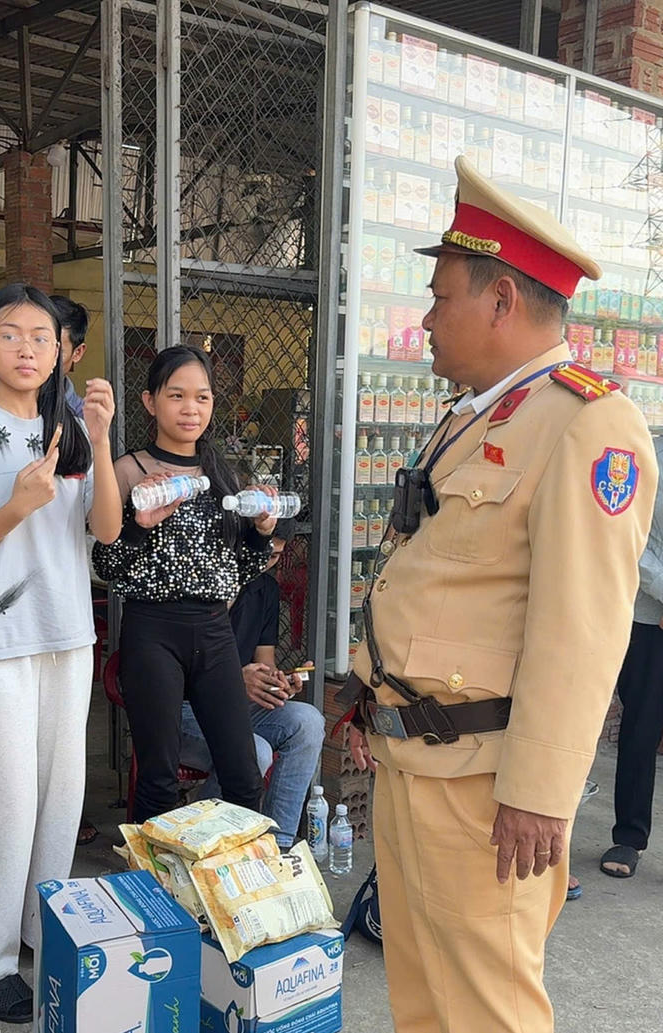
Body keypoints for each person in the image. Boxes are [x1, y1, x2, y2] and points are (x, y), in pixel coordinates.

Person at [342, 155, 657, 1033]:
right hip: (418, 760)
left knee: (486, 1010)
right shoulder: (480, 411)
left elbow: (585, 628)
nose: (428, 317)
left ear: (501, 301)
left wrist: (542, 793)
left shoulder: (590, 423)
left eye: (441, 297)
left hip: (487, 789)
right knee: (423, 998)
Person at [0, 283, 120, 1024]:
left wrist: (99, 439)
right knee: (3, 801)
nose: (28, 349)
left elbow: (105, 530)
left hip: (66, 633)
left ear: (65, 351)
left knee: (58, 797)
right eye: (11, 335)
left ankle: (44, 932)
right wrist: (14, 506)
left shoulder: (70, 427)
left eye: (43, 336)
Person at [92, 345, 277, 827]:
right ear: (151, 401)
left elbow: (239, 568)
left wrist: (261, 533)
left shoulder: (223, 475)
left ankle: (228, 879)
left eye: (202, 397)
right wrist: (140, 525)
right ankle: (148, 890)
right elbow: (106, 565)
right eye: (177, 396)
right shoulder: (128, 470)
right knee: (157, 774)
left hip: (214, 632)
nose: (190, 409)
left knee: (243, 771)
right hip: (152, 630)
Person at [179, 525, 324, 848]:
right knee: (252, 749)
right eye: (262, 550)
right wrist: (232, 679)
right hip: (185, 707)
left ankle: (278, 844)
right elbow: (174, 668)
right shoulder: (199, 580)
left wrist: (279, 682)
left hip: (235, 707)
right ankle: (199, 844)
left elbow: (265, 662)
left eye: (274, 556)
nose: (264, 561)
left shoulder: (265, 590)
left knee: (307, 721)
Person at [601, 431, 663, 880]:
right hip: (648, 615)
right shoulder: (645, 454)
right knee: (642, 724)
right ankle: (629, 835)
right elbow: (626, 534)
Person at [50, 294, 88, 419]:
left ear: (77, 353)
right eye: (39, 342)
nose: (46, 358)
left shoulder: (83, 418)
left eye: (58, 351)